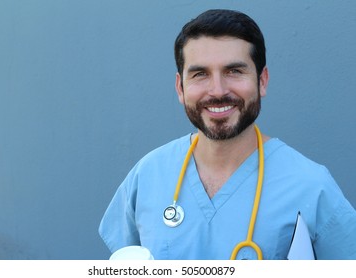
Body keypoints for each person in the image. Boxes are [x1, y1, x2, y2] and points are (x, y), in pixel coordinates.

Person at [98, 9, 356, 260]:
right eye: (200, 74)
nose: (218, 90)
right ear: (180, 87)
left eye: (234, 71)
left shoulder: (311, 187)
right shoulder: (148, 177)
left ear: (262, 81)